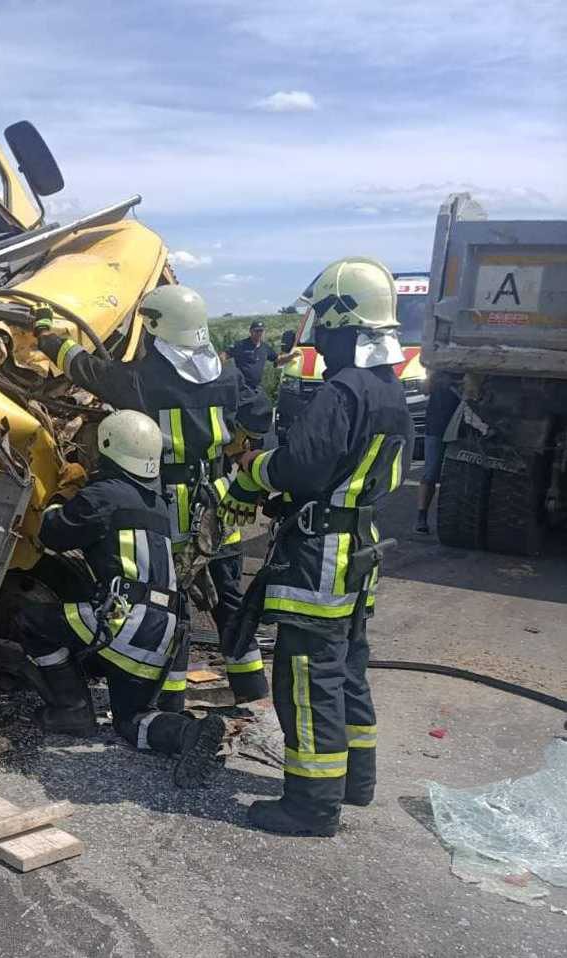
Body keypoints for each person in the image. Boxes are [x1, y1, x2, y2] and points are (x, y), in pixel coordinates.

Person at [223, 256, 413, 836]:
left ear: (343, 321)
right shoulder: (388, 390)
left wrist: (252, 473)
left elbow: (300, 466)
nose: (318, 339)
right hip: (360, 548)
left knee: (307, 676)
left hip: (322, 553)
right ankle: (356, 783)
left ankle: (310, 805)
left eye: (322, 326)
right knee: (347, 667)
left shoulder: (343, 391)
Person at [31, 286, 270, 708]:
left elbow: (87, 369)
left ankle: (170, 700)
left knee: (171, 599)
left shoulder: (146, 378)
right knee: (229, 596)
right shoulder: (228, 373)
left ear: (156, 326)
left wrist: (49, 336)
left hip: (170, 504)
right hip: (220, 499)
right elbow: (259, 413)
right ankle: (251, 684)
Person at [13, 409, 226, 784]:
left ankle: (72, 708)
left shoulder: (104, 495)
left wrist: (63, 496)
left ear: (108, 449)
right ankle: (187, 734)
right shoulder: (155, 504)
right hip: (162, 628)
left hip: (124, 622)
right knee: (132, 722)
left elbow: (53, 533)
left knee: (31, 622)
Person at [415, 371, 460, 534]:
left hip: (459, 429)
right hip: (437, 427)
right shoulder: (438, 369)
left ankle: (447, 518)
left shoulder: (465, 372)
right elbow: (425, 389)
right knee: (430, 474)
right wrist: (434, 375)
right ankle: (422, 517)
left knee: (454, 477)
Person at [228, 319, 290, 390]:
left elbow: (278, 360)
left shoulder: (265, 348)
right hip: (241, 387)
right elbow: (225, 355)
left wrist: (291, 356)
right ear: (251, 331)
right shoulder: (240, 345)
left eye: (261, 331)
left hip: (256, 387)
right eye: (257, 331)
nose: (259, 333)